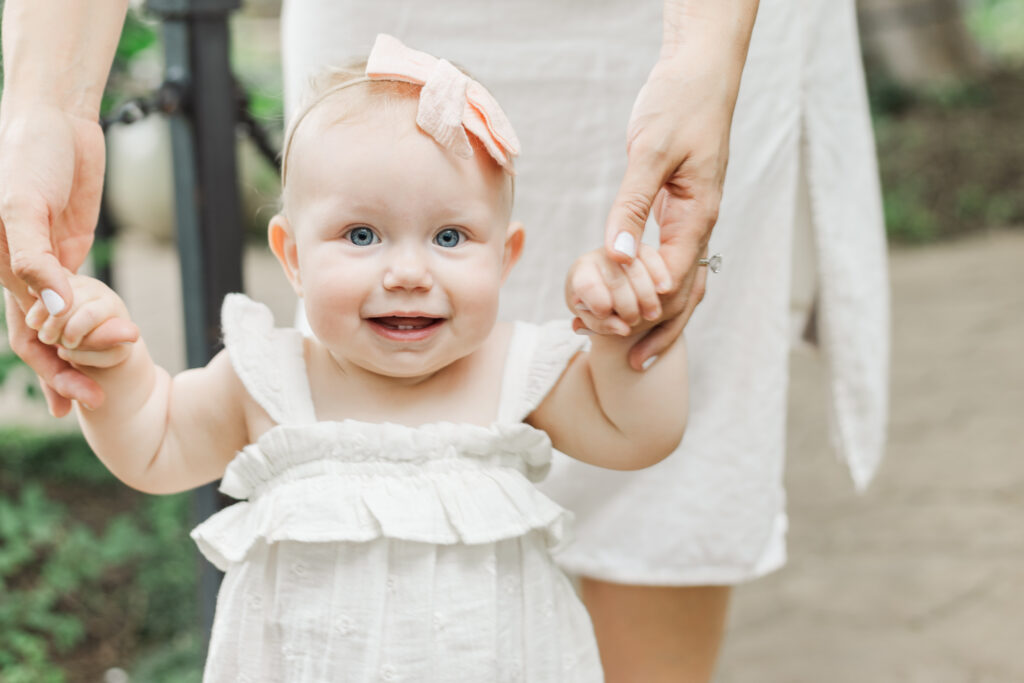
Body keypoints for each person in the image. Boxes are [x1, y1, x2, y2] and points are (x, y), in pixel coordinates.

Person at [1, 1, 890, 681]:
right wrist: (114, 373)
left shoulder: (519, 370)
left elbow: (641, 436)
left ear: (510, 259)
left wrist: (627, 344)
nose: (407, 272)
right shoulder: (270, 375)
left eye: (451, 238)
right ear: (291, 255)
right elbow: (156, 442)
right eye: (360, 236)